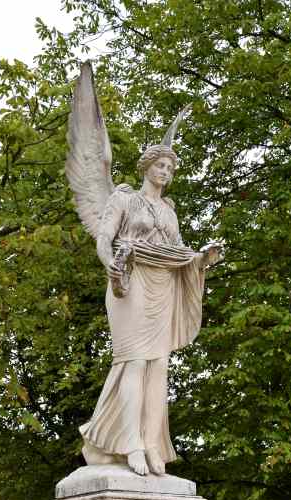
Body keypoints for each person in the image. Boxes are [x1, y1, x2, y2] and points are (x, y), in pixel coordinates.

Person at [79, 144, 217, 476]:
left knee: (159, 365)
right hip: (130, 280)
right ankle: (131, 444)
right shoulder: (124, 199)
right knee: (134, 361)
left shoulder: (169, 211)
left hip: (164, 285)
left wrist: (203, 259)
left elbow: (181, 254)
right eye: (160, 164)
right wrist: (110, 264)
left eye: (170, 167)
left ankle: (153, 444)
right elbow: (103, 238)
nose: (166, 171)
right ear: (146, 166)